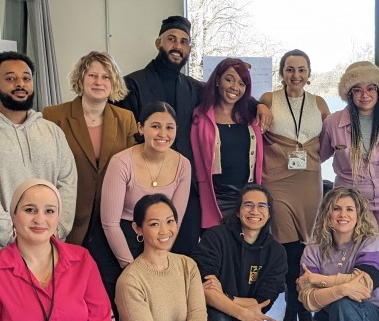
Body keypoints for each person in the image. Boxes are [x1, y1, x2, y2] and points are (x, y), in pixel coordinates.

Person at [42, 51, 138, 318]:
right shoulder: (53, 115)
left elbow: (132, 169)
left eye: (106, 76)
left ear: (114, 82)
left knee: (106, 292)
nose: (99, 81)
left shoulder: (125, 119)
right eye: (92, 75)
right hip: (69, 215)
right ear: (81, 78)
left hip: (112, 218)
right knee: (66, 290)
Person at [0, 179, 113, 321]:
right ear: (13, 215)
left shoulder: (82, 260)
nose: (39, 219)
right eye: (30, 210)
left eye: (49, 211)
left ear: (58, 217)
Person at [0, 51, 78, 251]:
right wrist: (12, 235)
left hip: (50, 247)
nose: (20, 84)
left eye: (26, 78)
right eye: (10, 78)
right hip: (2, 250)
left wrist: (55, 230)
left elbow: (67, 183)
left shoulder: (52, 131)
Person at [115, 16, 205, 255]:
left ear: (189, 49)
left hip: (185, 188)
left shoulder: (194, 88)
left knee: (182, 257)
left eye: (184, 42)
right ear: (158, 43)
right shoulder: (132, 84)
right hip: (143, 188)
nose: (177, 46)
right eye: (171, 39)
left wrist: (258, 105)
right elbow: (124, 136)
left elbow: (229, 98)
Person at [257, 49, 330, 321]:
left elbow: (329, 141)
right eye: (290, 69)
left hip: (309, 182)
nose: (295, 75)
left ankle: (305, 312)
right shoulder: (268, 100)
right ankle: (291, 313)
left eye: (301, 69)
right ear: (282, 72)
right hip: (277, 182)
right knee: (287, 249)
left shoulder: (319, 103)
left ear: (309, 73)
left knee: (307, 248)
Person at [322, 60, 379, 268]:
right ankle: (355, 299)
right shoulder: (333, 122)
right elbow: (318, 156)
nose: (364, 95)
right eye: (357, 90)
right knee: (355, 254)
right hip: (350, 199)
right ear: (349, 94)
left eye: (370, 89)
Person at [100, 101, 191, 276]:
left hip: (160, 237)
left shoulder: (183, 165)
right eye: (155, 126)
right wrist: (132, 269)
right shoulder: (121, 162)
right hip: (121, 239)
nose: (163, 134)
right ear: (141, 128)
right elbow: (110, 224)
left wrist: (160, 255)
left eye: (169, 127)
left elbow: (175, 222)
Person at [297, 188, 379, 321]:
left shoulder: (372, 241)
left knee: (344, 305)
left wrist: (317, 280)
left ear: (359, 215)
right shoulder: (313, 249)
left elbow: (363, 286)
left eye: (350, 209)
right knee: (340, 303)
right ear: (327, 214)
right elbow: (308, 299)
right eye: (336, 209)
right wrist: (342, 289)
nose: (343, 215)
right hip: (327, 316)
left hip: (372, 316)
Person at [192, 184, 287, 321]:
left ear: (269, 214)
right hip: (211, 318)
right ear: (237, 211)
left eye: (261, 206)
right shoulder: (215, 237)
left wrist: (225, 296)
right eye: (248, 205)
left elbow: (261, 303)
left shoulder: (276, 252)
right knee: (220, 319)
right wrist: (243, 313)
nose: (254, 211)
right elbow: (204, 291)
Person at [115, 194, 209, 321]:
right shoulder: (130, 280)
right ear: (137, 229)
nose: (164, 231)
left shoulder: (188, 266)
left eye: (170, 221)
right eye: (154, 224)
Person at [191, 58, 264, 228]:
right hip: (215, 199)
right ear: (217, 80)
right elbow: (196, 161)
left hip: (247, 200)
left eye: (241, 83)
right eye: (229, 79)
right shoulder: (200, 117)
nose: (234, 87)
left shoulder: (252, 119)